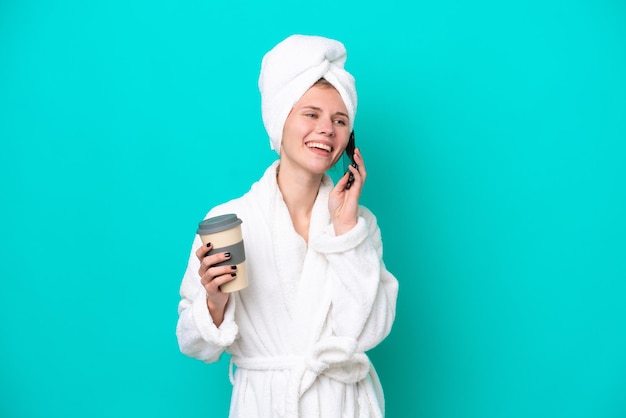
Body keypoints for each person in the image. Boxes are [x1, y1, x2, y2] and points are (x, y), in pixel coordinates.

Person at [176, 34, 399, 418]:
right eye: (311, 114)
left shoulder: (359, 225)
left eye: (340, 120)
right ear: (280, 120)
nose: (326, 129)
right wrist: (214, 302)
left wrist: (346, 231)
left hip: (342, 406)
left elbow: (368, 330)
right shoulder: (230, 221)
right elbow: (195, 344)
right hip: (264, 404)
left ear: (349, 140)